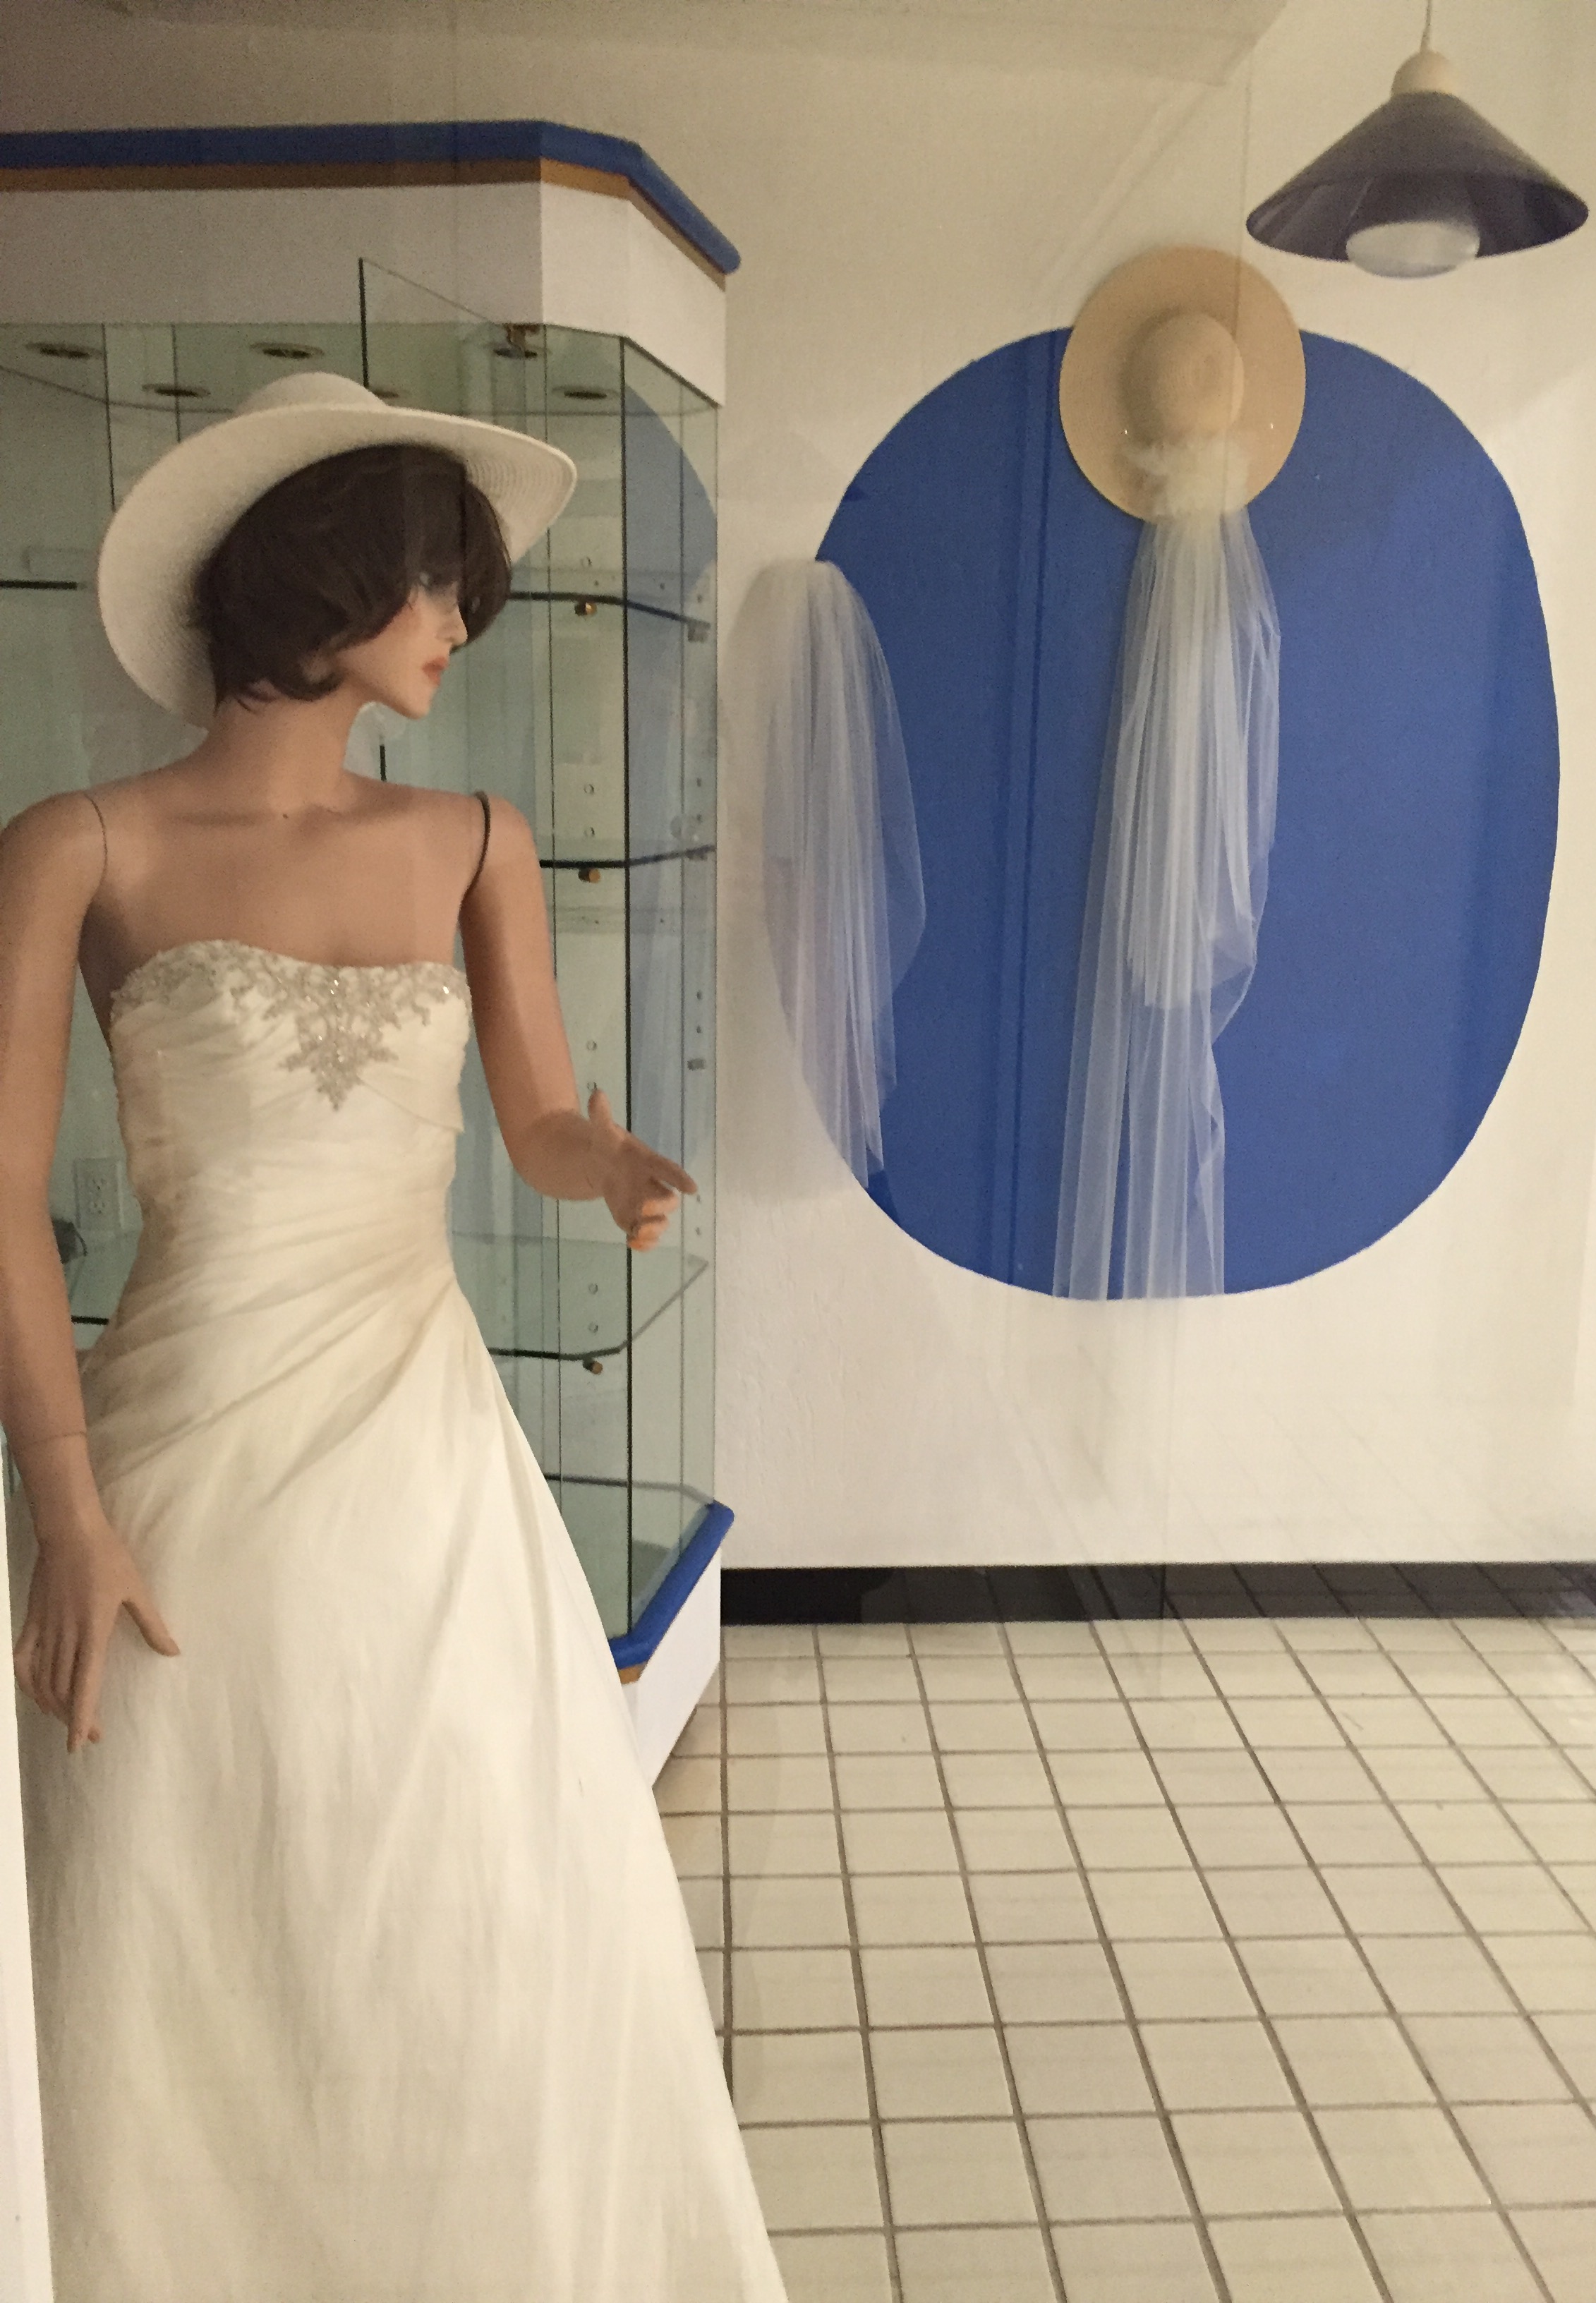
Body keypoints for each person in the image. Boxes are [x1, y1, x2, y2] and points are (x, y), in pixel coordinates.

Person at [0, 373, 787, 2302]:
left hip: (424, 1453)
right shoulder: (78, 847)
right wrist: (71, 1509)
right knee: (186, 1901)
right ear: (331, 577)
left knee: (466, 1886)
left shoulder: (472, 839)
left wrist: (602, 1158)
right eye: (437, 584)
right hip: (182, 1460)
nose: (456, 628)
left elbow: (530, 1117)